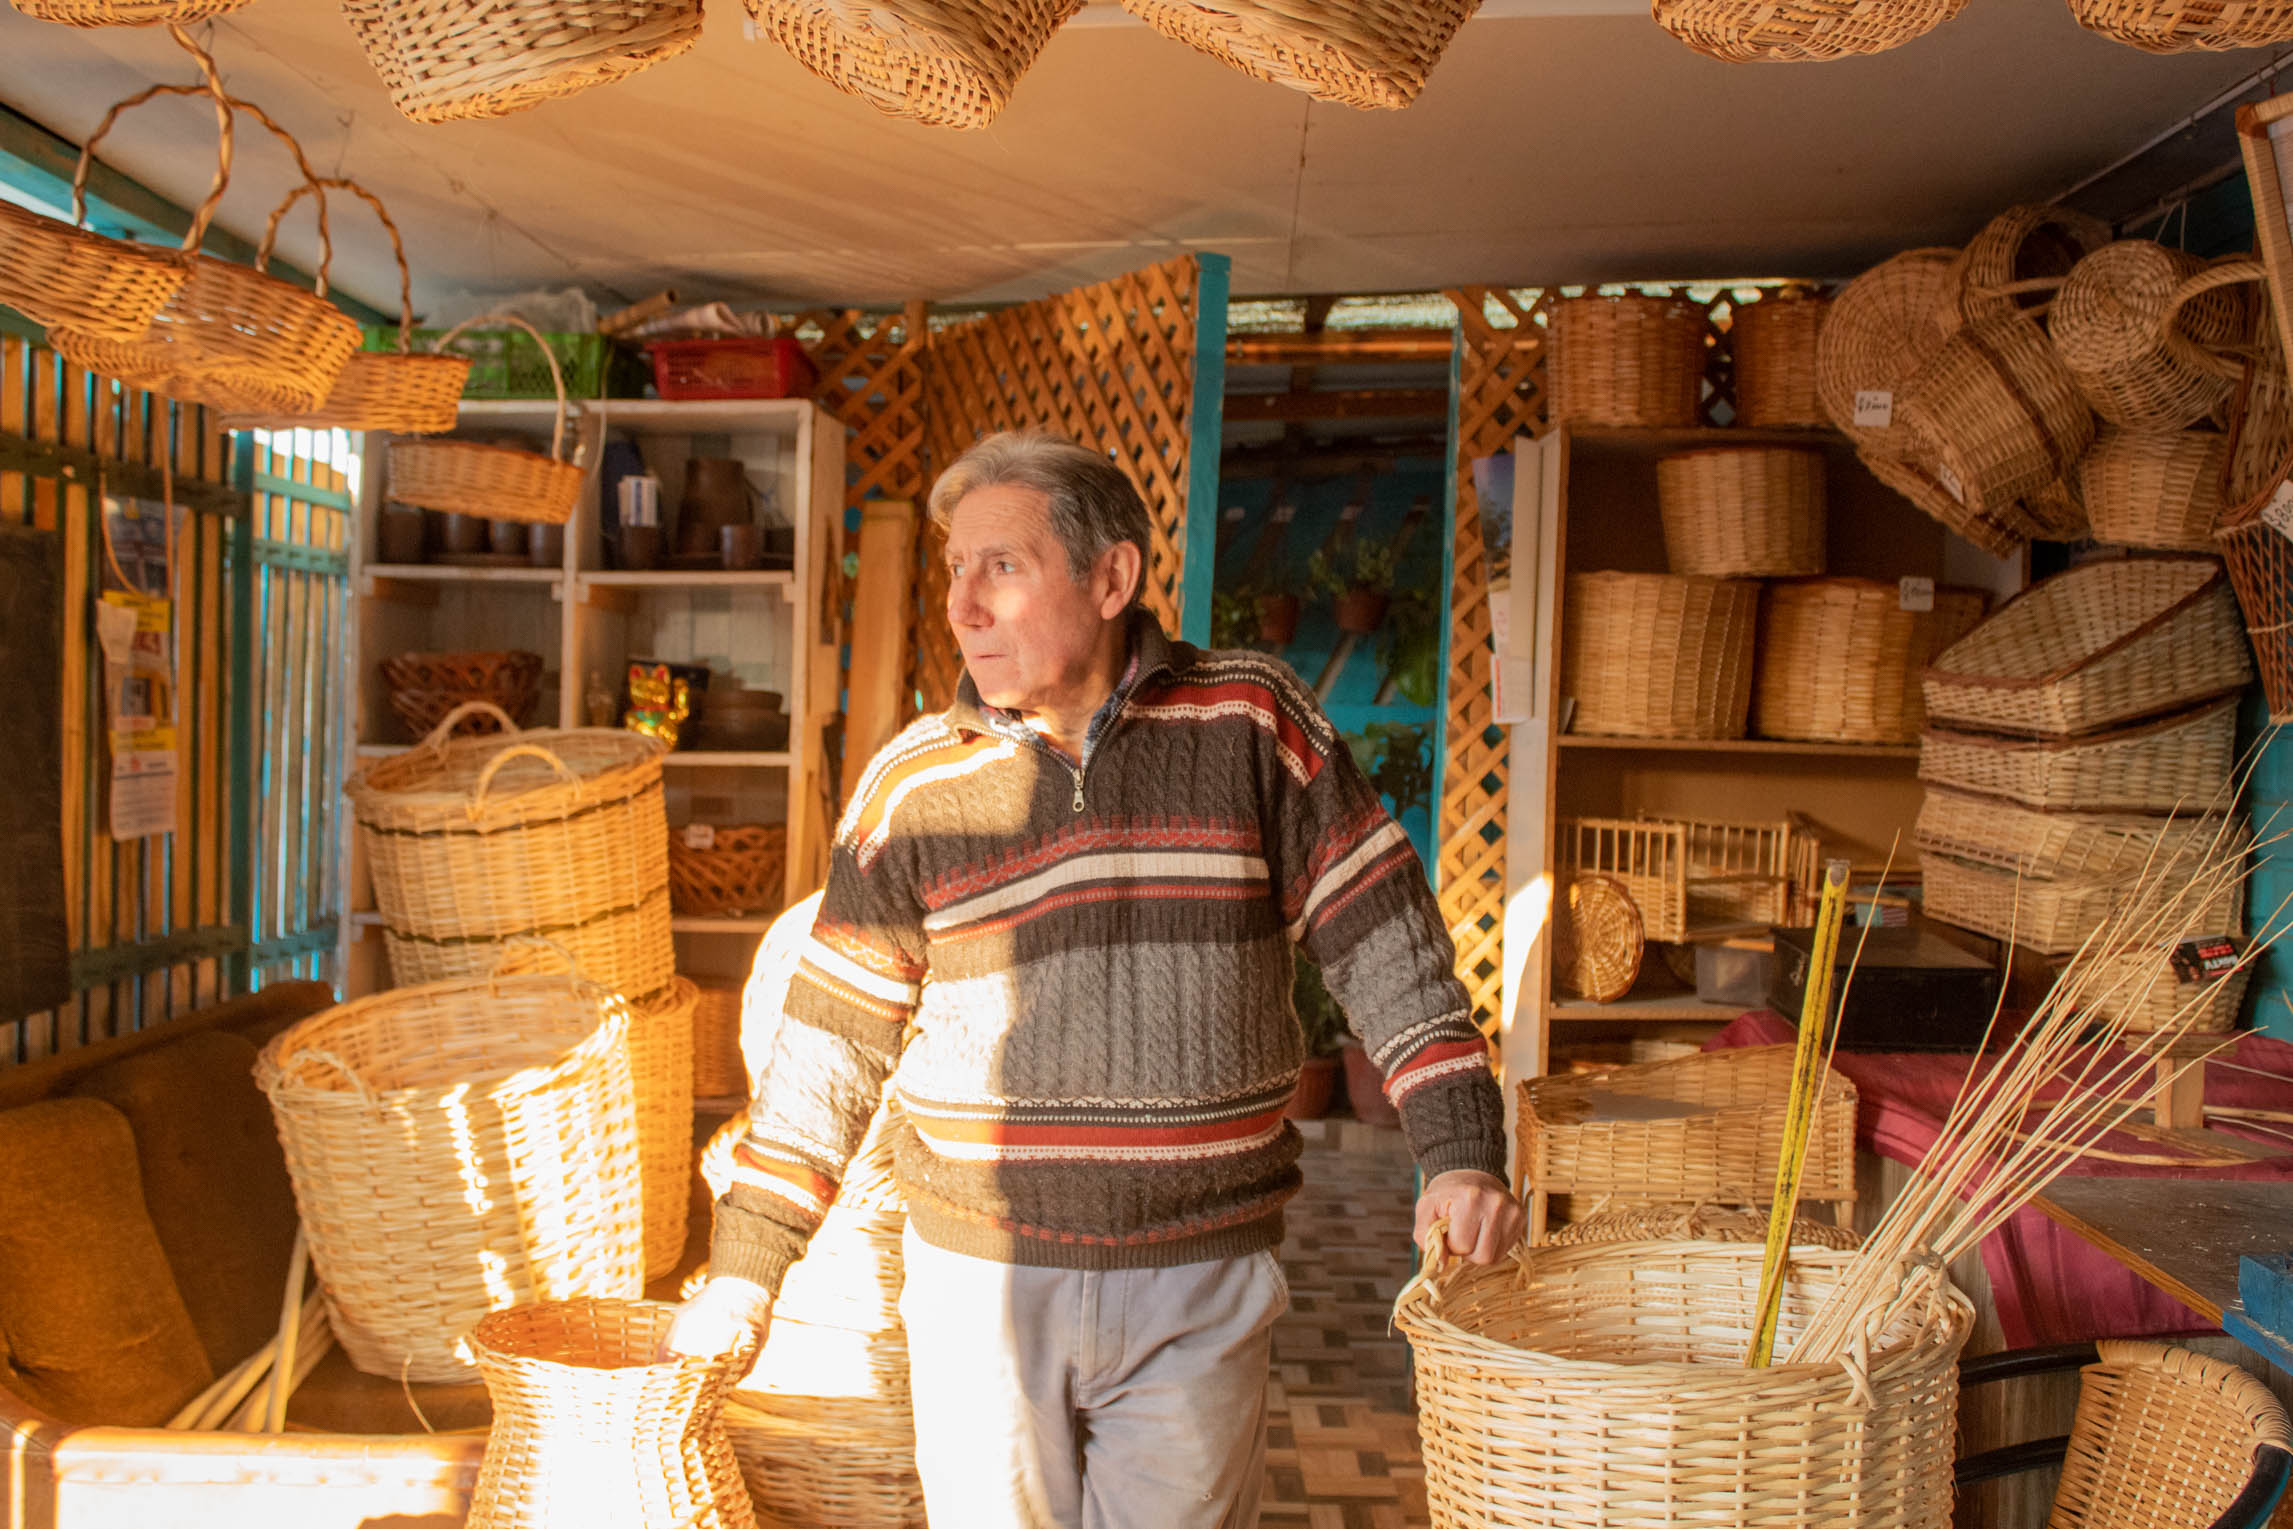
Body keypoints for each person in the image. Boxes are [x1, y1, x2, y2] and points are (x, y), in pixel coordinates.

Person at [668, 429, 1521, 1528]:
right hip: (978, 1286)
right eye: (953, 571)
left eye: (1001, 567)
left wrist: (1459, 1150)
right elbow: (830, 1044)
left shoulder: (1250, 722)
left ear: (1111, 578)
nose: (960, 606)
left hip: (1196, 1279)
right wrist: (745, 1265)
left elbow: (1384, 936)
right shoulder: (914, 785)